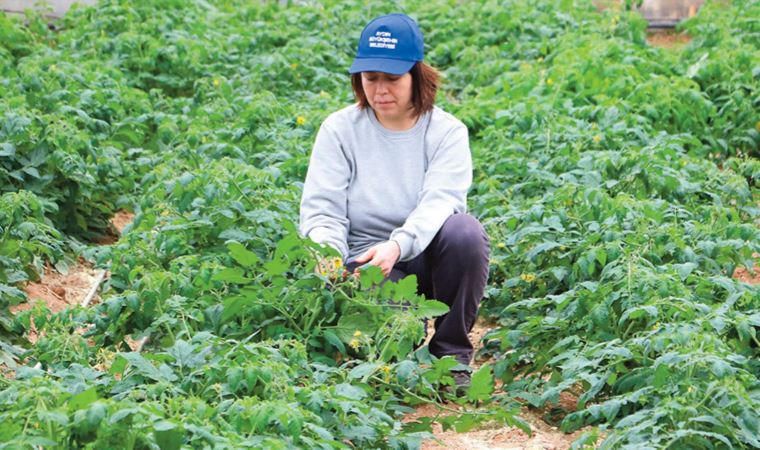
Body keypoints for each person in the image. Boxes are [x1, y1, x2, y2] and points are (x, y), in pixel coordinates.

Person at [298, 13, 490, 391]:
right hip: (368, 264)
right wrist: (330, 254)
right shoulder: (339, 130)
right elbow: (323, 209)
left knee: (465, 233)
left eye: (393, 79)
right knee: (388, 347)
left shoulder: (446, 132)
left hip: (427, 255)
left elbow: (441, 201)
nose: (380, 90)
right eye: (371, 79)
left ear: (417, 76)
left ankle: (451, 357)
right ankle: (402, 338)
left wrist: (398, 245)